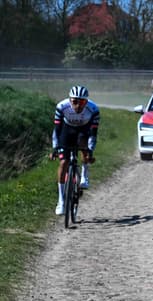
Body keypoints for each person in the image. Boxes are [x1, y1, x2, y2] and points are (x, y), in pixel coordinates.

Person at [50, 85, 100, 215]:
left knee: (85, 148)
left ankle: (84, 175)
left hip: (84, 129)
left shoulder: (93, 109)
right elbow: (56, 130)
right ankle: (61, 201)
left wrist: (90, 151)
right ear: (70, 100)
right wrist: (55, 148)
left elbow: (93, 134)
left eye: (82, 102)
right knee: (63, 163)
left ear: (86, 101)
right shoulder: (61, 107)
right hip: (67, 130)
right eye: (75, 101)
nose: (78, 105)